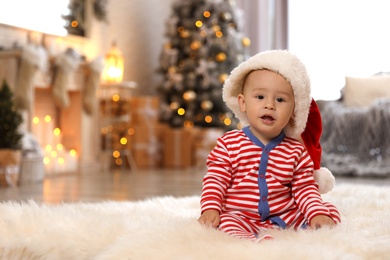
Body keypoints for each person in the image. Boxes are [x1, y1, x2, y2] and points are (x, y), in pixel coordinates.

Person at [197, 50, 341, 242]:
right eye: (260, 97)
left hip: (284, 215)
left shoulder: (296, 151)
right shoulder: (229, 143)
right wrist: (211, 208)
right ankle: (253, 242)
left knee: (328, 211)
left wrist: (316, 213)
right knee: (224, 223)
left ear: (293, 111)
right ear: (243, 103)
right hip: (241, 215)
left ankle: (302, 234)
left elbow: (304, 188)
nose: (270, 105)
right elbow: (216, 179)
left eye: (280, 100)